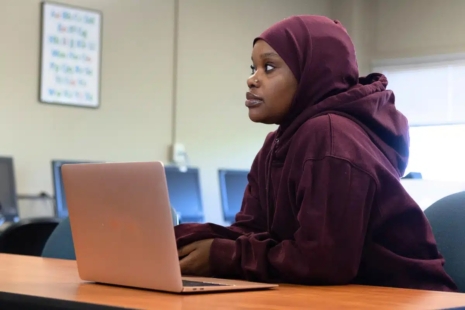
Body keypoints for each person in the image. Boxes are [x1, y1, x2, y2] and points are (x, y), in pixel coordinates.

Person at [175, 15, 457, 291]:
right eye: (253, 67)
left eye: (269, 67)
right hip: (339, 294)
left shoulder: (330, 136)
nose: (252, 80)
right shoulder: (275, 144)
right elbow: (251, 231)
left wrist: (222, 256)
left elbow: (323, 262)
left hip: (405, 298)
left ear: (314, 73)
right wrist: (184, 241)